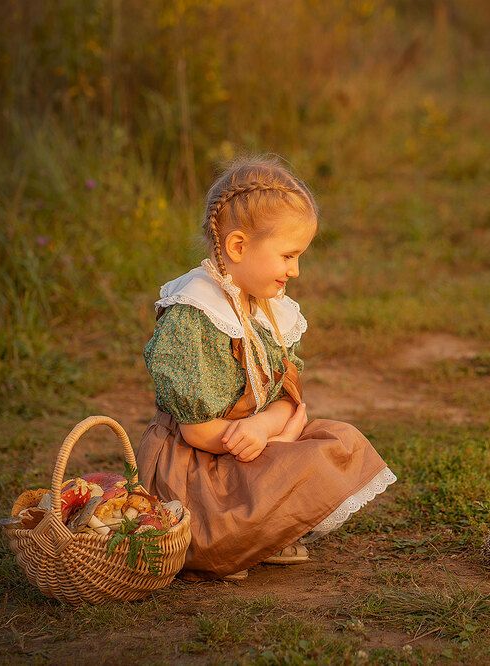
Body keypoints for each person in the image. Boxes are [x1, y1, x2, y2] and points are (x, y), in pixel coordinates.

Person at [135, 156, 396, 581]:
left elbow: (288, 399)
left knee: (339, 441)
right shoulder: (194, 315)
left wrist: (272, 426)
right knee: (253, 483)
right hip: (198, 463)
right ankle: (231, 542)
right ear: (238, 247)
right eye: (288, 255)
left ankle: (257, 534)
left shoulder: (270, 311)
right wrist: (272, 435)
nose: (295, 270)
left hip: (250, 442)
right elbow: (198, 432)